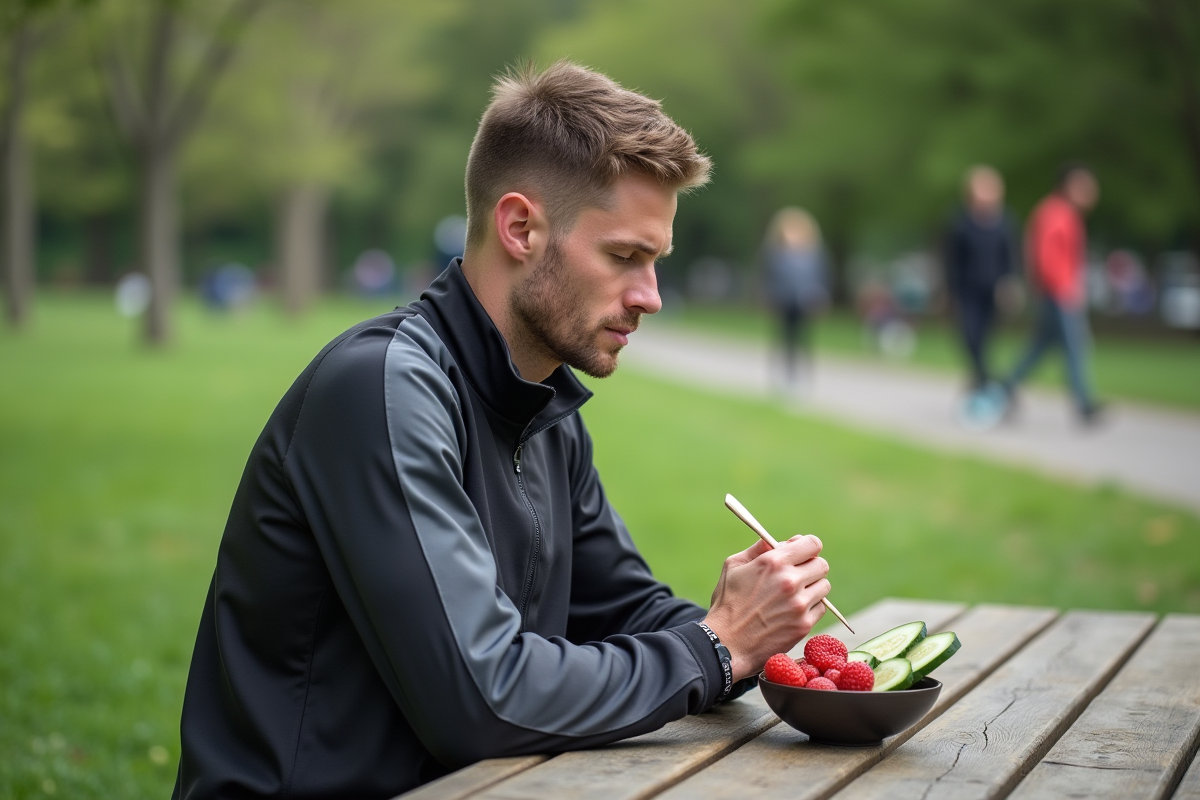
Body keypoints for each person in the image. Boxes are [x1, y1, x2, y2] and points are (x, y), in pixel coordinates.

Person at [172, 62, 832, 800]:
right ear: (520, 227)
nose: (649, 296)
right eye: (623, 257)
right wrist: (717, 646)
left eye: (656, 261)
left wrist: (773, 652)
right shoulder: (380, 388)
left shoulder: (542, 403)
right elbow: (482, 696)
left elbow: (624, 609)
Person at [999, 164, 1103, 424]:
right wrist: (1064, 288)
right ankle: (1084, 403)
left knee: (1040, 346)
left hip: (1055, 292)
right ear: (1068, 186)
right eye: (1084, 187)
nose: (1091, 193)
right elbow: (1047, 257)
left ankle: (1005, 387)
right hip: (1058, 293)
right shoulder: (1057, 213)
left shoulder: (1062, 213)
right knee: (1075, 347)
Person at [943, 166, 1016, 393]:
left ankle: (982, 382)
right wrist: (949, 292)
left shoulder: (1004, 223)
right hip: (967, 291)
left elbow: (1010, 257)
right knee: (969, 336)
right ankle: (985, 380)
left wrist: (1009, 284)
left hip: (992, 291)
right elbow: (950, 260)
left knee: (985, 340)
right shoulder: (960, 223)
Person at [762, 207, 828, 391]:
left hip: (806, 304)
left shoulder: (813, 254)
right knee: (785, 341)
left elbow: (820, 278)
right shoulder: (776, 254)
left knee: (804, 342)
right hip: (784, 303)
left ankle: (802, 378)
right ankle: (785, 379)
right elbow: (769, 279)